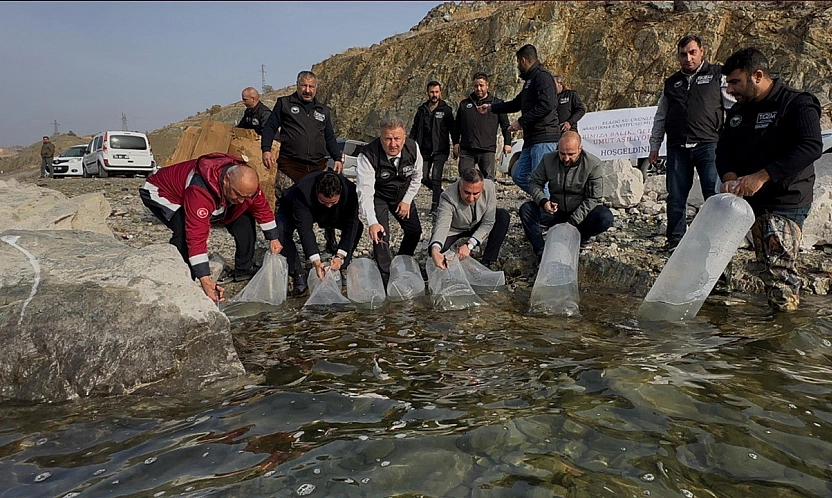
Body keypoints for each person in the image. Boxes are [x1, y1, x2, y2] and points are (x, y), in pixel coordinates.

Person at [716, 47, 822, 312]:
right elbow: (723, 149)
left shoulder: (796, 103)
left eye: (735, 82)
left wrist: (762, 176)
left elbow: (810, 146)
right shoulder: (739, 110)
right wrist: (729, 177)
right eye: (728, 82)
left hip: (784, 201)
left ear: (758, 75)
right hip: (743, 201)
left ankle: (785, 337)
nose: (730, 89)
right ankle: (720, 326)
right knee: (716, 259)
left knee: (779, 273)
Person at [139, 152, 281, 302]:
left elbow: (261, 207)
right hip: (162, 192)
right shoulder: (199, 190)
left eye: (246, 196)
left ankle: (244, 268)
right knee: (183, 231)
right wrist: (204, 277)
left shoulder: (245, 185)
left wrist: (273, 237)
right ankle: (185, 277)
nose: (240, 200)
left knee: (244, 215)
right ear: (226, 180)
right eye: (238, 194)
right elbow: (196, 235)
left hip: (216, 196)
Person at [648, 34, 735, 253]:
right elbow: (661, 116)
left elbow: (733, 107)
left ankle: (715, 241)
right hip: (677, 147)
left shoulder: (718, 74)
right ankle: (675, 240)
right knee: (676, 196)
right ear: (678, 57)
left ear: (702, 51)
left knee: (713, 195)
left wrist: (736, 141)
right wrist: (654, 145)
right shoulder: (671, 83)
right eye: (683, 54)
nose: (688, 58)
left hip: (709, 144)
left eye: (692, 52)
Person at [260, 70, 343, 254]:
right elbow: (270, 127)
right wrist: (266, 149)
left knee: (325, 203)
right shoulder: (284, 104)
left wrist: (337, 157)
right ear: (297, 85)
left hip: (316, 168)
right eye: (304, 86)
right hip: (290, 167)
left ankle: (330, 239)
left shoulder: (323, 111)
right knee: (284, 204)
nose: (307, 90)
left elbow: (329, 137)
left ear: (316, 88)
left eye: (311, 86)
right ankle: (280, 240)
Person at [477, 44, 559, 195]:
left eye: (517, 63)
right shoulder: (530, 81)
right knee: (519, 175)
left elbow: (547, 105)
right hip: (531, 140)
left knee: (540, 181)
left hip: (544, 138)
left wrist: (521, 122)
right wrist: (490, 108)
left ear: (523, 60)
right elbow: (516, 104)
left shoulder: (542, 77)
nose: (517, 67)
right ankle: (545, 201)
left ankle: (547, 213)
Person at [519, 131, 613, 259]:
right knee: (526, 209)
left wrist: (572, 222)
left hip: (580, 215)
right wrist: (543, 201)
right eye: (562, 153)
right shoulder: (548, 159)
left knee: (605, 217)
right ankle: (541, 250)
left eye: (571, 154)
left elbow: (594, 198)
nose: (566, 158)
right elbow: (534, 182)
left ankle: (581, 238)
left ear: (580, 149)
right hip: (556, 212)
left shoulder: (593, 164)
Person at [356, 115, 423, 286]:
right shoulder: (367, 155)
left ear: (404, 137)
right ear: (381, 137)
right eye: (388, 139)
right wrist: (372, 222)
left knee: (415, 231)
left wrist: (407, 200)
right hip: (379, 196)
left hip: (403, 194)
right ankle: (386, 275)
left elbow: (417, 177)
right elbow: (365, 192)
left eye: (397, 139)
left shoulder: (413, 148)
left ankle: (402, 261)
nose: (393, 144)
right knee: (381, 235)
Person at [274, 170, 363, 296]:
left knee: (358, 227)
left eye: (333, 202)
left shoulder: (351, 191)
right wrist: (316, 261)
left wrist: (340, 256)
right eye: (324, 202)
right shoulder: (302, 191)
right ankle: (297, 273)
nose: (328, 205)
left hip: (334, 214)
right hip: (294, 209)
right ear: (317, 192)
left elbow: (351, 224)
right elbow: (305, 229)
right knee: (280, 231)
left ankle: (341, 265)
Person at [428, 167, 509, 271]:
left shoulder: (489, 187)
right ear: (460, 186)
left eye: (476, 194)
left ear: (482, 187)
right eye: (467, 192)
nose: (471, 198)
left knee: (503, 216)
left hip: (477, 223)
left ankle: (487, 261)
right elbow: (442, 225)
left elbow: (488, 222)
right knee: (435, 252)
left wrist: (469, 244)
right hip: (455, 229)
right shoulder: (447, 197)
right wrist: (435, 249)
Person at [452, 72, 511, 180]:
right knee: (465, 179)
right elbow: (457, 125)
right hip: (467, 149)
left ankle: (488, 197)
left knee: (488, 180)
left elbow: (505, 125)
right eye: (476, 86)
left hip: (487, 149)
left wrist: (507, 143)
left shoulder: (497, 104)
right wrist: (455, 142)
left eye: (481, 85)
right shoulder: (464, 104)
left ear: (487, 85)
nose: (478, 88)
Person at [410, 80, 455, 212]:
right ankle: (442, 193)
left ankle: (435, 206)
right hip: (424, 150)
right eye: (431, 92)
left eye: (436, 92)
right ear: (427, 93)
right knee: (422, 177)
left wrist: (456, 143)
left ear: (440, 92)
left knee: (436, 177)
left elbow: (453, 128)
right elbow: (414, 128)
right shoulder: (421, 110)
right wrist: (410, 144)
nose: (434, 95)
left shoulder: (446, 110)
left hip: (440, 150)